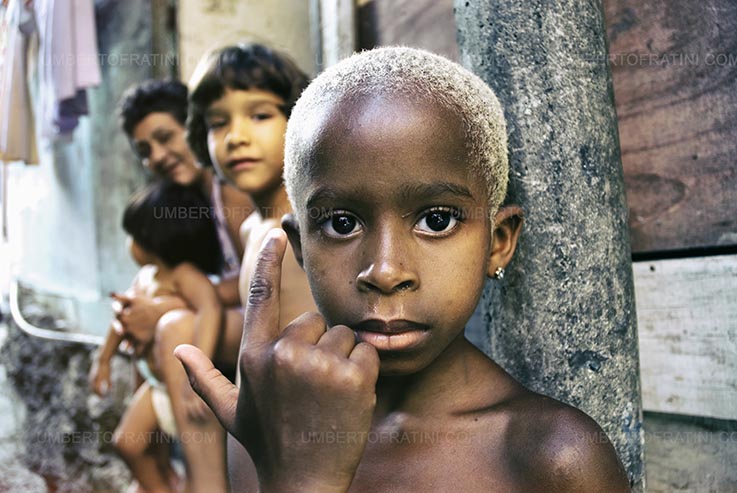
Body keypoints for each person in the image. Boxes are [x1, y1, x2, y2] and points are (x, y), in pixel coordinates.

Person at [174, 47, 631, 492]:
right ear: (300, 247)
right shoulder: (273, 432)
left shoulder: (556, 460)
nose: (386, 271)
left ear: (498, 242)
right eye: (341, 223)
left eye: (437, 220)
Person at [185, 42, 318, 491]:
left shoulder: (304, 231)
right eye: (217, 122)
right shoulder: (252, 230)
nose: (235, 136)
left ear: (299, 118)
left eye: (259, 115)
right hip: (257, 445)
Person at [115, 80, 253, 493]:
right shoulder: (181, 201)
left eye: (165, 138)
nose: (157, 156)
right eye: (144, 150)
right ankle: (156, 473)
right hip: (224, 317)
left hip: (267, 315)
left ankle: (205, 483)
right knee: (155, 321)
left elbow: (257, 280)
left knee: (174, 325)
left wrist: (166, 306)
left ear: (193, 128)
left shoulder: (229, 191)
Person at [89, 181, 224, 493]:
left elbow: (210, 309)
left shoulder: (183, 276)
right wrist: (103, 360)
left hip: (177, 388)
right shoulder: (144, 278)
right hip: (155, 386)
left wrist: (200, 375)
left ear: (151, 240)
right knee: (127, 443)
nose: (129, 245)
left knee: (181, 460)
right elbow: (121, 322)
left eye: (134, 237)